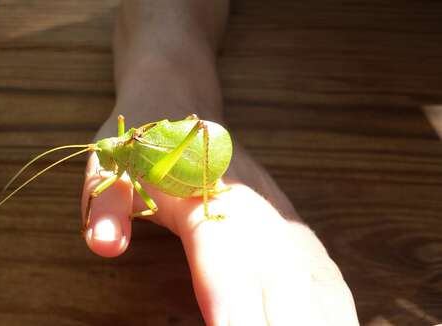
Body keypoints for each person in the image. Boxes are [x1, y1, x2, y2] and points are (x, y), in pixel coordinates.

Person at [81, 1, 359, 325]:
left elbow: (144, 201)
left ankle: (207, 188)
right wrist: (161, 73)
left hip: (165, 162)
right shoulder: (118, 154)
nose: (100, 157)